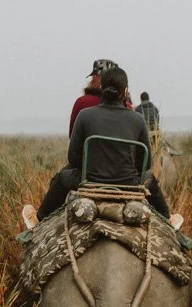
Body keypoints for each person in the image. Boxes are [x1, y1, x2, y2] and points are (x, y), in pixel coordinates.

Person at [33, 66, 170, 221]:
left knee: (61, 177)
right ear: (125, 92)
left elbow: (73, 159)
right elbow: (145, 164)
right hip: (129, 183)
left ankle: (39, 218)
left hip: (90, 181)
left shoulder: (84, 115)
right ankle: (167, 219)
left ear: (102, 88)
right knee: (149, 178)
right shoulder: (137, 119)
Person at [69, 59, 117, 136]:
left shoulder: (82, 102)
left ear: (94, 77)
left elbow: (72, 135)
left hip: (89, 148)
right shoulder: (126, 106)